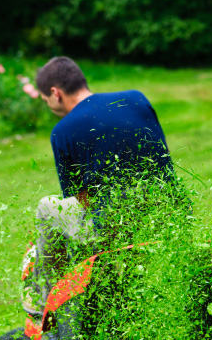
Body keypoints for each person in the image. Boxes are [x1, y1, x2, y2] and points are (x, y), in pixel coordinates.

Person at [21, 57, 174, 313]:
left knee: (47, 207)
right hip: (169, 216)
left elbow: (83, 201)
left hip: (118, 232)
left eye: (45, 100)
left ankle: (49, 300)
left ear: (55, 93)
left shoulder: (63, 131)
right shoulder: (136, 99)